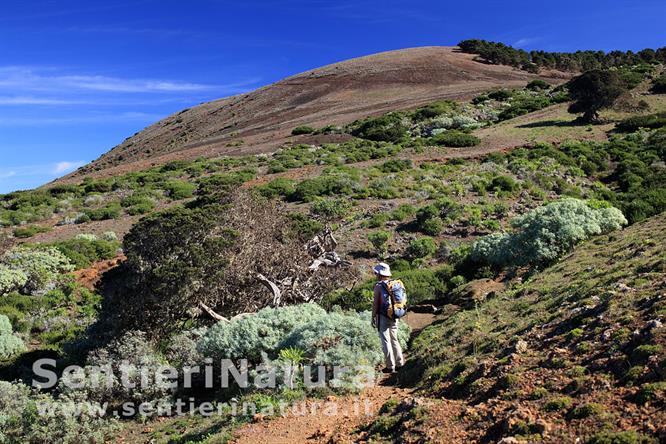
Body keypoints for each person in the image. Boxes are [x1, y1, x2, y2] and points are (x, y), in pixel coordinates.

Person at [371, 262, 405, 373]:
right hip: (395, 314)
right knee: (394, 339)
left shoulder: (378, 286)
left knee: (386, 341)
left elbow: (375, 303)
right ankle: (400, 363)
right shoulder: (395, 284)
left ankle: (390, 366)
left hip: (383, 316)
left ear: (379, 274)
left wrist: (373, 317)